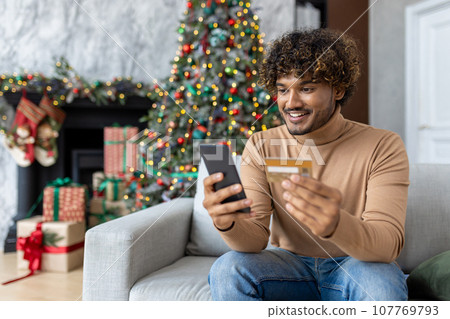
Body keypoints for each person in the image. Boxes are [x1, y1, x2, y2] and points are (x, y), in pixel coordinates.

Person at [202, 28, 409, 301]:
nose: (291, 102)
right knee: (228, 269)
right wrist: (226, 222)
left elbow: (387, 245)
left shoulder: (383, 145)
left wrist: (336, 224)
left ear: (338, 89)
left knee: (381, 284)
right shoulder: (262, 145)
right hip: (287, 267)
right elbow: (254, 240)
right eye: (282, 90)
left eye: (306, 88)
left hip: (356, 265)